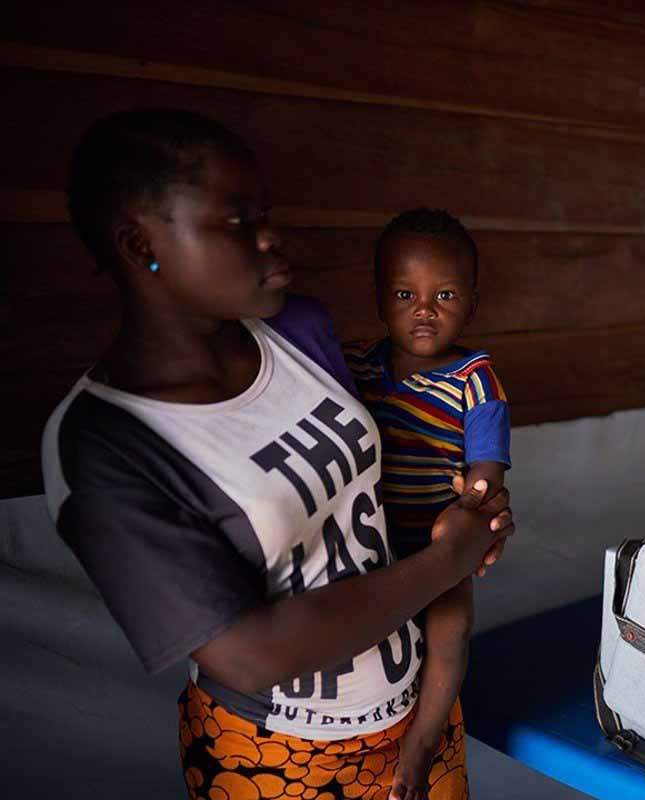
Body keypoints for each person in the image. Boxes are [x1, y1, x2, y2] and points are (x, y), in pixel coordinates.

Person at [41, 109, 512, 800]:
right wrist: (448, 559)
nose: (272, 239)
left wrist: (477, 511)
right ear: (139, 241)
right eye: (237, 221)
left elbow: (382, 481)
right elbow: (250, 654)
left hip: (417, 717)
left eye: (266, 213)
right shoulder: (104, 444)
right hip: (280, 757)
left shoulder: (301, 330)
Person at [345, 208, 511, 797]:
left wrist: (468, 516)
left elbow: (486, 475)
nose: (424, 309)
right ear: (378, 298)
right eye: (404, 293)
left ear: (471, 304)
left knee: (451, 630)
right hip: (366, 545)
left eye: (444, 294)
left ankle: (419, 748)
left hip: (439, 546)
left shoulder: (476, 379)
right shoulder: (357, 366)